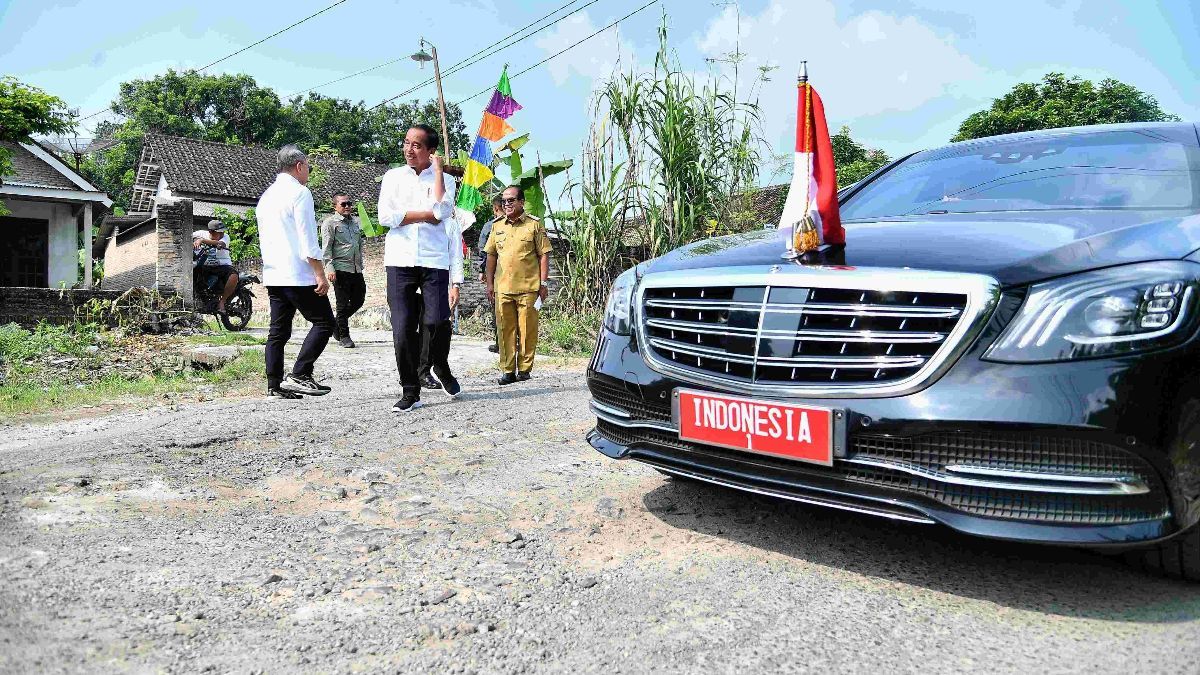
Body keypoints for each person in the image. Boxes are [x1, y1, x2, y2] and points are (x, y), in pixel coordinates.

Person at [378, 124, 462, 412]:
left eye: (416, 145)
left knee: (436, 321)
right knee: (402, 329)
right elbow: (385, 217)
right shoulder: (392, 177)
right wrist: (424, 215)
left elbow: (440, 212)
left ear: (430, 151)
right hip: (399, 261)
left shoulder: (446, 180)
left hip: (433, 261)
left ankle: (440, 365)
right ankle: (410, 390)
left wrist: (439, 172)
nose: (408, 149)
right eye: (406, 143)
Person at [257, 144, 336, 399]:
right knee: (325, 322)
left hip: (274, 273)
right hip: (297, 274)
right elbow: (308, 239)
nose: (308, 173)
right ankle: (301, 373)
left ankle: (274, 386)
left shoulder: (266, 196)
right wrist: (320, 274)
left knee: (278, 331)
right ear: (299, 166)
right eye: (308, 167)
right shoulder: (300, 193)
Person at [485, 185, 552, 385]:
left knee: (527, 330)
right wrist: (489, 283)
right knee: (505, 330)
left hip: (529, 288)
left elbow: (544, 255)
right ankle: (507, 370)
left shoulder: (533, 225)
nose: (507, 204)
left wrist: (543, 283)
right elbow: (491, 255)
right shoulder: (497, 226)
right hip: (503, 288)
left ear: (521, 202)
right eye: (504, 201)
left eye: (511, 200)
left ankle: (524, 369)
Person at [417, 205, 466, 390]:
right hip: (413, 282)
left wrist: (455, 285)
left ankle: (435, 366)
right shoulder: (413, 221)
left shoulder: (450, 224)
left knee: (438, 326)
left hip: (440, 283)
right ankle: (416, 371)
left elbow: (456, 256)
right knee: (413, 328)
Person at [321, 191, 366, 348]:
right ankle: (344, 336)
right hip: (339, 268)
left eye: (349, 203)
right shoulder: (330, 223)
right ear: (335, 206)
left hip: (355, 269)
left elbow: (359, 245)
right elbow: (326, 249)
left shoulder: (354, 223)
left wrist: (360, 265)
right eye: (343, 204)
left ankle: (336, 324)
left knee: (359, 299)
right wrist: (329, 268)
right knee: (342, 303)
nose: (347, 206)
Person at [191, 219, 240, 314]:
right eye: (219, 233)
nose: (222, 234)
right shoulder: (200, 233)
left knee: (233, 275)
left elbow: (220, 244)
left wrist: (202, 241)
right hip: (205, 265)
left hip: (222, 266)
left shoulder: (226, 237)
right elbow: (186, 236)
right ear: (210, 232)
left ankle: (222, 301)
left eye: (222, 232)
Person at [478, 195, 503, 354]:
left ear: (495, 208)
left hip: (495, 273)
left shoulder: (490, 226)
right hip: (515, 273)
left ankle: (500, 343)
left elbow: (484, 251)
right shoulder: (516, 224)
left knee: (497, 308)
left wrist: (482, 271)